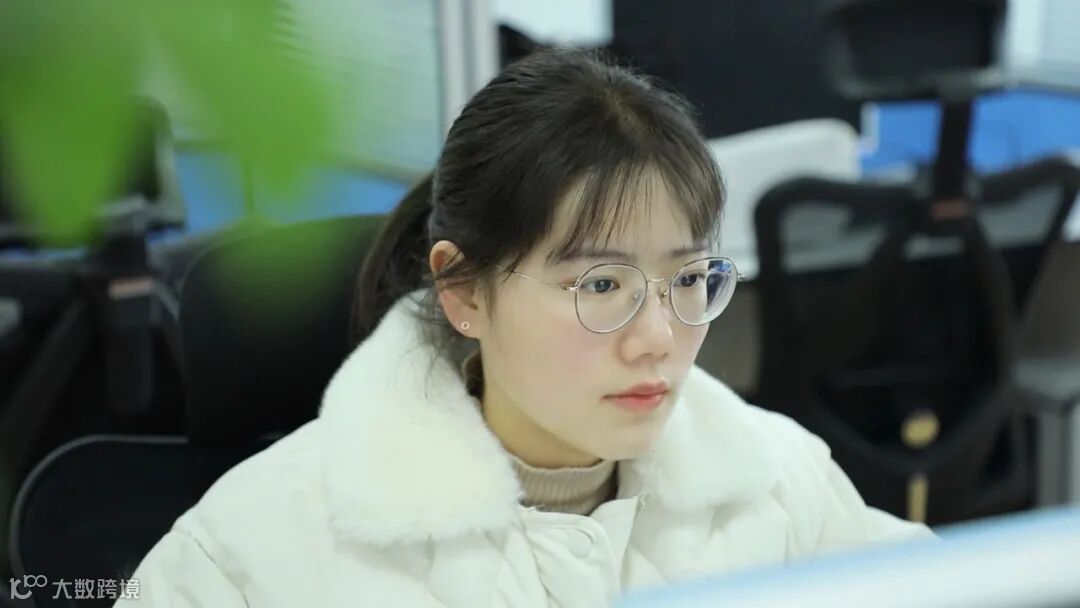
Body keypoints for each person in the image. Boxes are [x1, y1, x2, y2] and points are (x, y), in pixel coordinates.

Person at [121, 48, 932, 607]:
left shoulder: (779, 481)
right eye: (602, 285)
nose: (658, 337)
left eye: (687, 279)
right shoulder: (253, 554)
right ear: (463, 289)